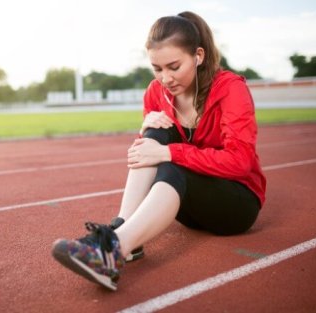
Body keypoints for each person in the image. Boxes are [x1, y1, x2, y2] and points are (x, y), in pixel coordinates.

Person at [51, 11, 267, 291]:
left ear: (198, 56)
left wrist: (170, 153)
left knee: (168, 155)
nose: (165, 78)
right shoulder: (156, 92)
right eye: (157, 68)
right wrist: (144, 132)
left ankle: (114, 248)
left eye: (174, 66)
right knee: (155, 132)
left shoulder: (230, 89)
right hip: (187, 202)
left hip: (235, 205)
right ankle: (126, 237)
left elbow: (240, 163)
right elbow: (146, 155)